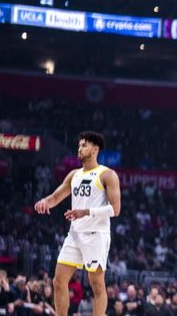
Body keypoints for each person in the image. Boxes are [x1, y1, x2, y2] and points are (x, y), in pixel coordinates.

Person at [34, 132, 121, 316]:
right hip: (75, 235)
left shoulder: (107, 174)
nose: (79, 149)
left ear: (95, 149)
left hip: (96, 235)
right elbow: (56, 196)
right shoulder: (74, 174)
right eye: (79, 145)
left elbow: (115, 209)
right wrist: (45, 202)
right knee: (58, 281)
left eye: (84, 145)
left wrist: (86, 212)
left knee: (97, 284)